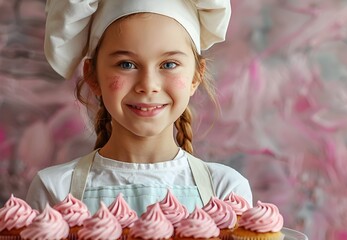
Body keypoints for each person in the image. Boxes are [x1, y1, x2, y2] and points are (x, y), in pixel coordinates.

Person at [25, 0, 252, 214]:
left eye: (169, 64)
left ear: (195, 76)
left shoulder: (226, 191)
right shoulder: (56, 190)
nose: (148, 85)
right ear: (93, 76)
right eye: (127, 64)